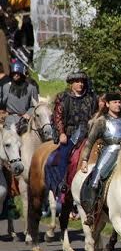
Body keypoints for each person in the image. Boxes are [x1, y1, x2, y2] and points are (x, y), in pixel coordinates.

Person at [79, 93, 121, 225]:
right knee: (95, 180)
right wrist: (84, 160)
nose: (118, 104)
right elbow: (90, 141)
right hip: (108, 152)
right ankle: (91, 213)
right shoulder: (101, 122)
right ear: (107, 104)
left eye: (119, 102)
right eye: (114, 102)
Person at [46, 72, 98, 201]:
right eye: (77, 81)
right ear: (71, 83)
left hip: (89, 132)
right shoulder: (63, 97)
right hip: (70, 134)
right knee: (63, 154)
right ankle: (62, 182)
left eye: (82, 81)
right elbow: (57, 117)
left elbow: (96, 113)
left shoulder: (91, 98)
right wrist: (62, 133)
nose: (80, 84)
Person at [0, 62, 38, 129]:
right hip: (10, 120)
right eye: (13, 73)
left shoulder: (31, 88)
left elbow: (34, 106)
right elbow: (2, 104)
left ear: (22, 73)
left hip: (25, 120)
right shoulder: (6, 87)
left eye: (18, 73)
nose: (15, 75)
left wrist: (28, 114)